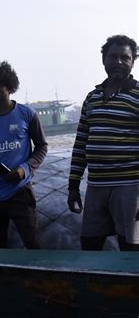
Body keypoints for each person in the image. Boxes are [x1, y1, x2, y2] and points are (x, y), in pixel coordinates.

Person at [68, 34, 139, 251]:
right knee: (90, 243)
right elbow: (81, 143)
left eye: (124, 58)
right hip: (96, 185)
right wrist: (73, 186)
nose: (118, 62)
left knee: (130, 248)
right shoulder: (92, 97)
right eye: (113, 56)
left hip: (130, 186)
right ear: (104, 60)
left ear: (133, 61)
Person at [0, 60, 48, 249]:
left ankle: (38, 277)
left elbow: (41, 147)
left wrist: (25, 169)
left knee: (32, 242)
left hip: (20, 190)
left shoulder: (26, 114)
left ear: (10, 87)